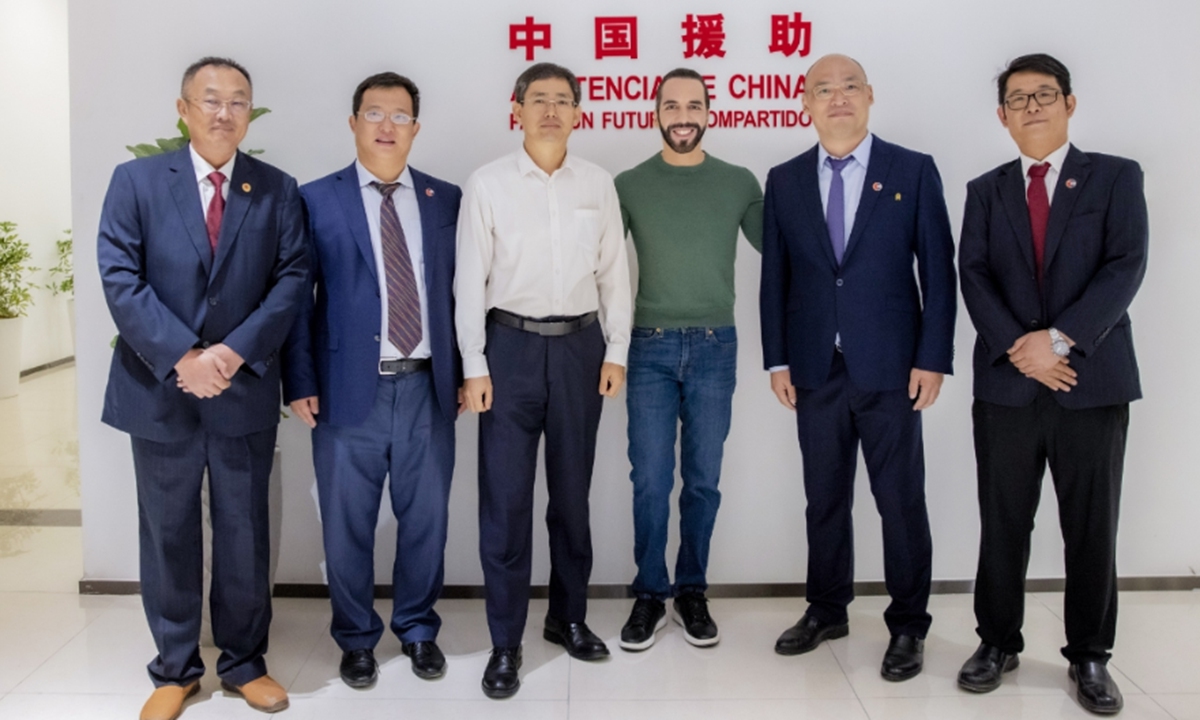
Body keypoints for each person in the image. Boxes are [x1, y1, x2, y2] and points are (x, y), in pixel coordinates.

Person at [97, 57, 308, 719]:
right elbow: (118, 275)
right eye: (210, 99)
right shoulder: (135, 182)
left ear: (250, 112)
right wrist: (183, 355)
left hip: (241, 387)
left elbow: (292, 279)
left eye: (238, 101)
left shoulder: (275, 188)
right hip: (160, 388)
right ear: (183, 108)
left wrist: (230, 351)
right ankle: (175, 669)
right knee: (169, 531)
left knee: (246, 530)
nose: (225, 112)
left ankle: (245, 664)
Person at [956, 53, 1147, 715]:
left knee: (1091, 526)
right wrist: (1021, 347)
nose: (1032, 105)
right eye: (1019, 98)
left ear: (1070, 104)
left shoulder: (1116, 179)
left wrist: (1058, 340)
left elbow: (1125, 267)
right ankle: (996, 641)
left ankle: (1089, 656)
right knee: (1002, 520)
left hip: (1089, 383)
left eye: (1045, 94)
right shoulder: (986, 190)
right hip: (1008, 386)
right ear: (1002, 116)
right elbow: (972, 276)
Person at [758, 53, 956, 681]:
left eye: (849, 87)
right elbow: (774, 281)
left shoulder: (912, 170)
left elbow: (939, 274)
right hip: (816, 366)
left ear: (869, 96)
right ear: (806, 102)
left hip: (894, 367)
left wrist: (933, 357)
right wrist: (779, 358)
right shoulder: (785, 179)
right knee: (824, 498)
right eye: (823, 89)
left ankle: (908, 625)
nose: (837, 97)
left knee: (899, 499)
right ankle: (826, 607)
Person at [455, 62, 632, 699]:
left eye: (563, 100)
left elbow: (616, 274)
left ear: (580, 112)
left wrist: (616, 351)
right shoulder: (489, 183)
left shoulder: (598, 184)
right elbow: (468, 280)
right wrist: (473, 363)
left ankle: (568, 617)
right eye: (539, 100)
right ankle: (506, 641)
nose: (552, 110)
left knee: (571, 499)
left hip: (582, 350)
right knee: (505, 504)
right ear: (517, 110)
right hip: (509, 350)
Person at [281, 72, 462, 689]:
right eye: (375, 113)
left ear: (416, 128)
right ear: (353, 122)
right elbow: (295, 298)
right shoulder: (314, 199)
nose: (388, 126)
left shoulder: (447, 200)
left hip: (427, 387)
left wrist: (466, 373)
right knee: (346, 522)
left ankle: (416, 628)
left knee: (427, 519)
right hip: (343, 388)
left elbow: (464, 296)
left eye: (401, 115)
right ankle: (356, 639)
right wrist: (298, 380)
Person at [613, 68, 762, 651]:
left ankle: (691, 589)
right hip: (647, 344)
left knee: (702, 481)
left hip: (715, 346)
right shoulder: (629, 183)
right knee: (650, 480)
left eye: (693, 105)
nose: (682, 115)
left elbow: (786, 248)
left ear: (708, 111)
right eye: (671, 105)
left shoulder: (737, 181)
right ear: (654, 112)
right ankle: (650, 593)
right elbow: (596, 263)